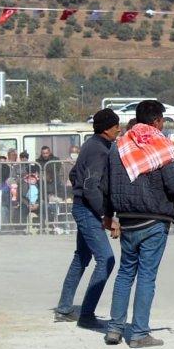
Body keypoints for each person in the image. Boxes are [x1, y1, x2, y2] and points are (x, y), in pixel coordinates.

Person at [103, 100, 174, 348]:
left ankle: (114, 328)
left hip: (127, 219)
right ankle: (139, 333)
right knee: (146, 276)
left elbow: (107, 185)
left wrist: (110, 215)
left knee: (125, 273)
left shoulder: (119, 146)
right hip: (154, 220)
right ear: (157, 121)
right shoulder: (161, 145)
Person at [55, 109, 121, 327]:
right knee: (106, 259)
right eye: (116, 126)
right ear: (106, 129)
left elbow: (75, 174)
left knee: (81, 258)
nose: (119, 130)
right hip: (88, 210)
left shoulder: (91, 145)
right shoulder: (99, 150)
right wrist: (104, 214)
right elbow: (91, 186)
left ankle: (64, 308)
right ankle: (86, 315)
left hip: (83, 206)